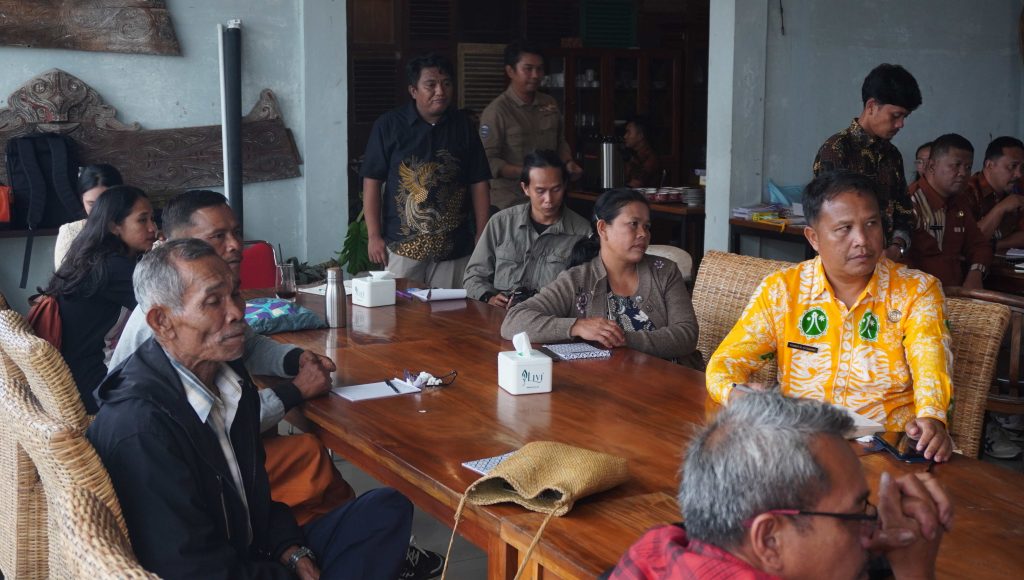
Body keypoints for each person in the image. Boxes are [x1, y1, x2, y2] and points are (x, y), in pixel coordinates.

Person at [88, 239, 413, 578]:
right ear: (162, 321)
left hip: (250, 550)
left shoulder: (226, 376)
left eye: (235, 294)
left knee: (385, 508)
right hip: (221, 570)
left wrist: (289, 547)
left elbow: (253, 497)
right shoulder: (141, 428)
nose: (236, 312)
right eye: (213, 302)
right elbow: (193, 570)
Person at [706, 170, 954, 462]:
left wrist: (932, 418)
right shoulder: (783, 291)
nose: (862, 239)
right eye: (844, 228)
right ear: (813, 237)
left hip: (883, 453)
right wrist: (735, 393)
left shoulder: (917, 291)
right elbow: (724, 364)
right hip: (799, 449)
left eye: (871, 224)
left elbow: (931, 367)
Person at [610, 391, 952, 580]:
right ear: (769, 539)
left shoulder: (661, 551)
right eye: (858, 515)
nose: (874, 532)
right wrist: (916, 573)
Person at [501, 188, 699, 365]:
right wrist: (575, 326)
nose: (643, 234)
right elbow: (514, 322)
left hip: (670, 385)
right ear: (603, 228)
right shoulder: (577, 280)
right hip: (606, 388)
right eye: (633, 224)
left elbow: (687, 334)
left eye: (646, 226)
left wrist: (626, 339)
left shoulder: (664, 271)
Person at [361, 53, 491, 289]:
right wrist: (374, 236)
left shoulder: (463, 125)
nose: (440, 91)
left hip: (455, 249)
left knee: (451, 317)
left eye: (446, 84)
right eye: (431, 85)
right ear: (413, 90)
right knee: (399, 319)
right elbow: (372, 181)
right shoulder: (389, 125)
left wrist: (482, 235)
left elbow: (479, 182)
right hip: (402, 248)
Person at [41, 185, 156, 413]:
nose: (153, 228)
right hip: (95, 386)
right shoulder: (112, 268)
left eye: (153, 219)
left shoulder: (93, 258)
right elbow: (170, 308)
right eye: (142, 220)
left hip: (74, 377)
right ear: (114, 226)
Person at [813, 64, 921, 262]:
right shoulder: (837, 150)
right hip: (846, 265)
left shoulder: (892, 155)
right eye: (895, 116)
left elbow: (904, 212)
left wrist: (897, 247)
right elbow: (830, 220)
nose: (900, 124)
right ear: (871, 106)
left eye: (905, 117)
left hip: (888, 264)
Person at [463, 150, 590, 306]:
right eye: (540, 191)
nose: (548, 199)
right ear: (525, 188)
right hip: (500, 317)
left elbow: (588, 291)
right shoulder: (501, 223)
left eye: (556, 189)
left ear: (564, 186)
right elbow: (473, 276)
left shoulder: (583, 233)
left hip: (550, 321)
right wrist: (489, 298)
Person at [479, 39, 583, 210]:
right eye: (528, 69)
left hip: (549, 202)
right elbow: (488, 161)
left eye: (540, 69)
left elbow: (560, 142)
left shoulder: (549, 103)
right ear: (510, 71)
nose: (536, 75)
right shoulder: (496, 111)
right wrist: (527, 173)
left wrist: (568, 162)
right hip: (512, 203)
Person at [906, 133, 991, 289]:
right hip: (918, 299)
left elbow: (978, 245)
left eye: (968, 167)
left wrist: (976, 273)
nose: (963, 173)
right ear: (931, 166)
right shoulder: (910, 203)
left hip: (958, 297)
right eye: (956, 165)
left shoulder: (959, 201)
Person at [54, 163, 123, 268]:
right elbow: (63, 279)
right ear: (82, 200)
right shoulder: (70, 232)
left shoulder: (132, 227)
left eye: (105, 202)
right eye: (91, 203)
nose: (99, 210)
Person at [965, 136, 1024, 249]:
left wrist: (994, 245)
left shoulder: (1017, 188)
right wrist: (1000, 209)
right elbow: (966, 240)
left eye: (1023, 168)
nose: (1019, 174)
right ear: (989, 165)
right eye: (1013, 166)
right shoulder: (967, 192)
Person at [623, 116, 663, 188]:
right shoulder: (634, 156)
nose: (625, 136)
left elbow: (634, 185)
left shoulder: (650, 159)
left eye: (629, 132)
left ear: (640, 136)